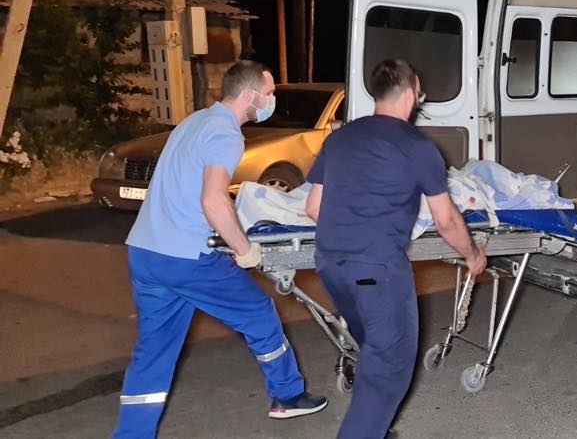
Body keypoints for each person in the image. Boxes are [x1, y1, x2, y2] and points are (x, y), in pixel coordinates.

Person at [113, 60, 327, 438]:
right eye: (269, 93)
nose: (271, 99)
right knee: (259, 313)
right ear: (250, 95)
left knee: (154, 352)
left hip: (145, 251)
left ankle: (131, 435)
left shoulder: (193, 122)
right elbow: (213, 200)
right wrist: (245, 249)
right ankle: (288, 396)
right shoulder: (226, 134)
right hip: (187, 257)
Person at [305, 58, 486, 439]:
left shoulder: (339, 139)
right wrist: (472, 255)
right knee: (388, 369)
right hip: (376, 271)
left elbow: (314, 208)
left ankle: (374, 429)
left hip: (330, 265)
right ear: (411, 93)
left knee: (374, 349)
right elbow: (446, 220)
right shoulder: (416, 146)